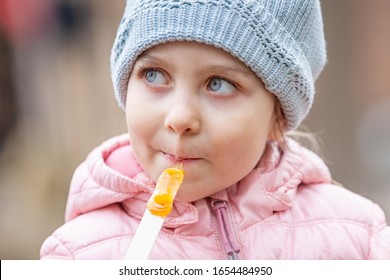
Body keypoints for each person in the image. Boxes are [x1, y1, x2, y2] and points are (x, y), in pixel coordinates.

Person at [40, 0, 390, 259]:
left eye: (218, 84)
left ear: (277, 118)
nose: (179, 118)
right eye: (154, 75)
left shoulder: (356, 239)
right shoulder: (80, 254)